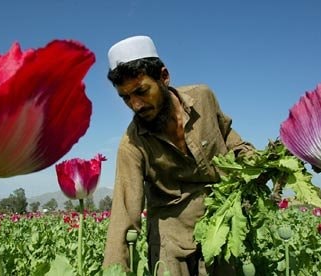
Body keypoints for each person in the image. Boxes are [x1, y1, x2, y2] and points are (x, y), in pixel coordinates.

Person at [102, 35, 254, 276]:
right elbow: (124, 212)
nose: (135, 105)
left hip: (220, 222)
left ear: (164, 77)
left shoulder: (203, 98)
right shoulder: (132, 144)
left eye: (141, 91)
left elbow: (229, 138)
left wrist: (255, 163)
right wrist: (114, 270)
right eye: (126, 97)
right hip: (170, 238)